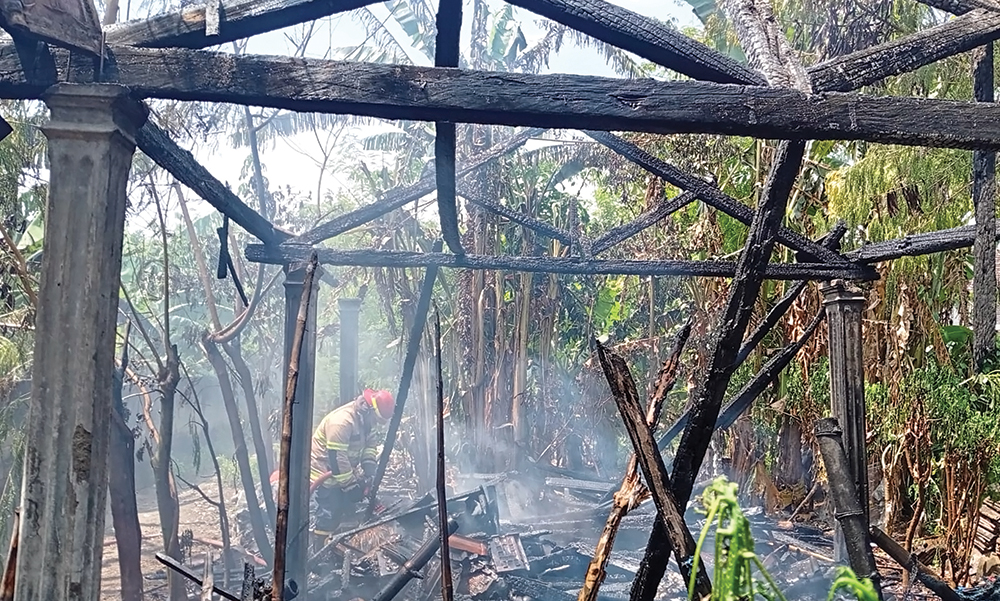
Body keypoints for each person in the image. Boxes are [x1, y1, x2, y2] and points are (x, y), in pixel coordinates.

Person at [309, 388, 394, 532]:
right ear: (368, 409)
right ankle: (322, 549)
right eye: (377, 420)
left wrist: (369, 469)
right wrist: (351, 486)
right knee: (328, 517)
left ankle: (342, 545)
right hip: (325, 477)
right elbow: (337, 457)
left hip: (344, 473)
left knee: (347, 515)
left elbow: (370, 446)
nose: (376, 424)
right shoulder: (341, 422)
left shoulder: (367, 422)